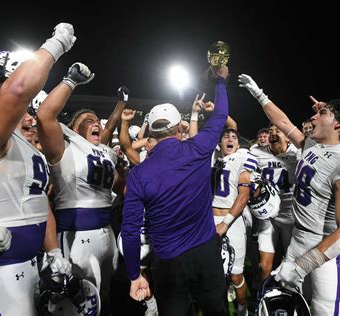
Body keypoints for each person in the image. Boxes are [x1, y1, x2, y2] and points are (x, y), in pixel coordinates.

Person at [0, 22, 75, 315]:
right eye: (25, 109)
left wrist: (53, 250)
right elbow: (17, 91)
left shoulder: (27, 148)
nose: (31, 116)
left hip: (28, 268)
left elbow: (39, 202)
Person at [238, 74, 340, 315]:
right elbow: (283, 122)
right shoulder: (314, 146)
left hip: (325, 255)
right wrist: (259, 94)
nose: (312, 116)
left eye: (322, 114)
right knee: (295, 308)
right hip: (298, 240)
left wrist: (300, 267)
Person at [121, 65, 230, 315]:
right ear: (178, 128)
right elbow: (221, 115)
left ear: (151, 132)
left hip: (168, 262)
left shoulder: (139, 173)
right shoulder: (197, 149)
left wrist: (133, 274)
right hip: (205, 253)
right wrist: (221, 81)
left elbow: (130, 231)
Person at [36, 62, 121, 312]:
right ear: (73, 128)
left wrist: (120, 106)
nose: (97, 123)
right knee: (76, 305)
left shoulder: (104, 152)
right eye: (88, 120)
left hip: (107, 232)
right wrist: (70, 81)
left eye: (98, 120)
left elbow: (108, 130)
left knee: (102, 297)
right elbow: (45, 115)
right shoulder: (66, 147)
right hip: (77, 234)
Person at [212, 128, 257, 316]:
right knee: (212, 271)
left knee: (236, 274)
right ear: (220, 142)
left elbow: (244, 195)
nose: (230, 139)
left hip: (233, 220)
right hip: (210, 219)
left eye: (234, 138)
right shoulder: (213, 159)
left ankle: (242, 309)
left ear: (238, 144)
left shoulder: (242, 158)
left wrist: (226, 222)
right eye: (226, 137)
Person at [249, 124, 300, 281]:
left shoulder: (297, 153)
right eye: (270, 131)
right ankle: (265, 293)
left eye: (278, 131)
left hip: (289, 215)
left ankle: (291, 294)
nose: (273, 133)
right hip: (268, 216)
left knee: (291, 262)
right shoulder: (257, 152)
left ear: (287, 136)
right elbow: (248, 174)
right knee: (264, 266)